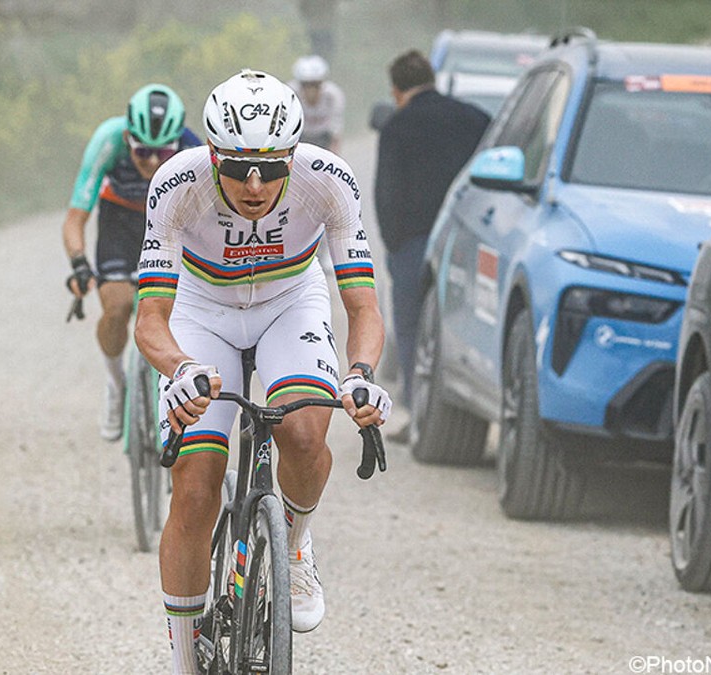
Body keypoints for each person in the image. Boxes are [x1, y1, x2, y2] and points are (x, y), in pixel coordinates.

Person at [135, 69, 392, 674]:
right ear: (212, 154)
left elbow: (362, 306)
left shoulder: (327, 182)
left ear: (293, 156)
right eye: (239, 167)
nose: (255, 184)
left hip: (288, 303)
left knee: (304, 435)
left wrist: (359, 374)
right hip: (202, 310)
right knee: (197, 483)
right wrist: (179, 369)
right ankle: (183, 659)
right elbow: (151, 319)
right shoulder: (177, 182)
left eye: (273, 168)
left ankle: (295, 545)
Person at [63, 84, 202, 442]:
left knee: (176, 315)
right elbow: (76, 217)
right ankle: (115, 383)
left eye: (163, 152)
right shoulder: (107, 141)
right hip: (120, 222)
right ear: (128, 137)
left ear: (177, 142)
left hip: (170, 226)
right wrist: (79, 264)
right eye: (142, 151)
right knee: (119, 306)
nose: (153, 162)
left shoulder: (194, 148)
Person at [373, 50, 489, 442]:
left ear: (397, 89)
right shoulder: (474, 118)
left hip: (414, 242)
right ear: (432, 79)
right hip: (466, 238)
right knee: (460, 323)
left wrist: (393, 244)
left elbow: (385, 192)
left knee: (411, 328)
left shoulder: (397, 126)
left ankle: (420, 416)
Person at [288, 55, 345, 154]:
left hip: (323, 138)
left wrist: (334, 155)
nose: (311, 90)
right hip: (299, 137)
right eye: (306, 85)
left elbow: (336, 125)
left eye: (315, 85)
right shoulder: (290, 93)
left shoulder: (333, 95)